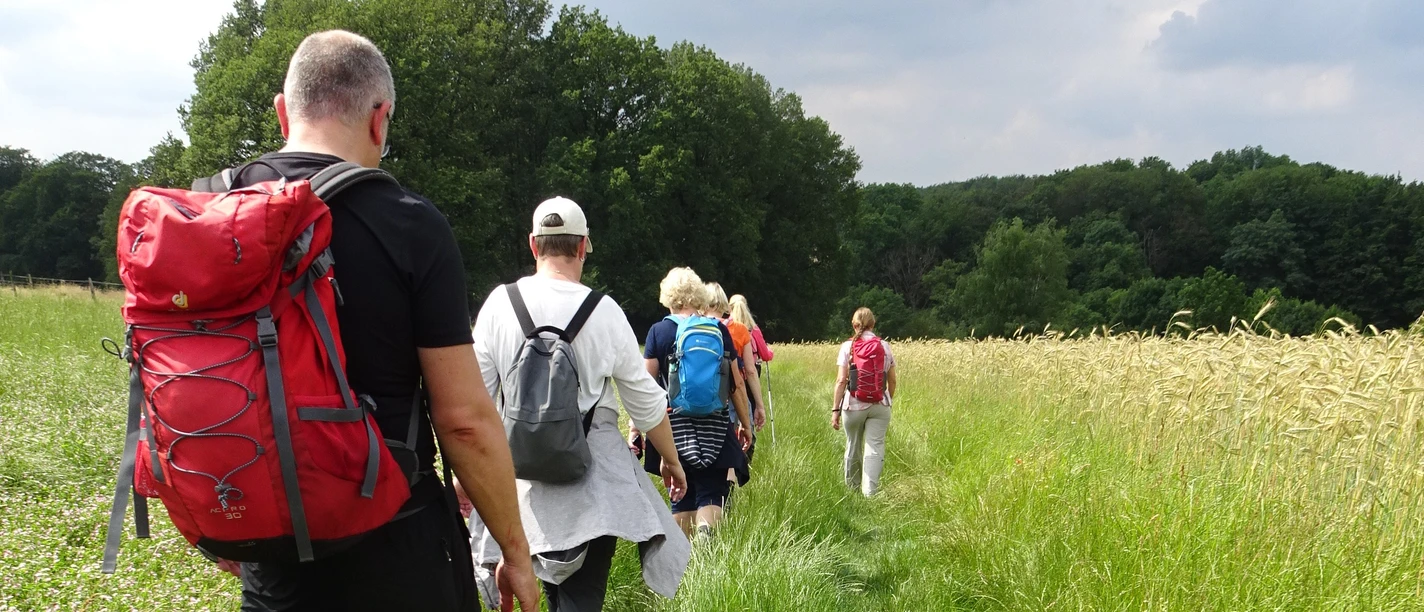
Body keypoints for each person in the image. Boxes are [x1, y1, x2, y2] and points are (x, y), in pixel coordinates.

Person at [218, 30, 538, 611]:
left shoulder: (219, 215)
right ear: (379, 118)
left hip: (274, 560)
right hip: (396, 549)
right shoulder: (410, 224)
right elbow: (463, 421)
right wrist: (514, 551)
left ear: (283, 111)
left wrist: (223, 516)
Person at [469, 197, 691, 611]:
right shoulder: (604, 311)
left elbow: (475, 403)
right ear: (583, 246)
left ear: (533, 245)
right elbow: (644, 402)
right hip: (591, 482)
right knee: (581, 599)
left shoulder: (499, 304)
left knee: (535, 595)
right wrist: (671, 460)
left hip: (517, 484)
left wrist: (468, 479)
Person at [633, 268, 752, 539]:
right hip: (715, 426)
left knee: (681, 496)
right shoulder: (718, 330)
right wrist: (745, 424)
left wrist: (636, 429)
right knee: (711, 491)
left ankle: (685, 556)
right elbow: (736, 384)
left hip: (673, 428)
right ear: (698, 295)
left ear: (668, 297)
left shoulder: (658, 332)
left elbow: (645, 387)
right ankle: (706, 533)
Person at [831, 308, 898, 497]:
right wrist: (887, 399)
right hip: (880, 405)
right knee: (875, 447)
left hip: (853, 405)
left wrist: (835, 410)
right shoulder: (884, 346)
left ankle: (852, 491)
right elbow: (892, 380)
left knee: (853, 445)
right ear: (873, 324)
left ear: (854, 325)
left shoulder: (848, 346)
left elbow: (841, 380)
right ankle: (870, 493)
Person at [728, 294, 773, 370]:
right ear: (746, 307)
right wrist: (770, 351)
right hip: (749, 371)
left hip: (730, 371)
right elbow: (766, 355)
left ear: (729, 308)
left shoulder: (725, 326)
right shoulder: (753, 328)